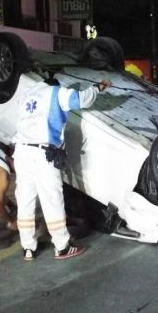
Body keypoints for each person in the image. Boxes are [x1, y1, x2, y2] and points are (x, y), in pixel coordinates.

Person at [13, 74, 110, 261]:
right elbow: (81, 99)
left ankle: (28, 248)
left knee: (25, 200)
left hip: (21, 152)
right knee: (52, 199)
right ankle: (62, 247)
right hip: (43, 153)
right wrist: (98, 87)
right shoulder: (56, 92)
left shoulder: (26, 96)